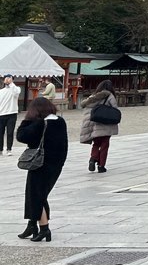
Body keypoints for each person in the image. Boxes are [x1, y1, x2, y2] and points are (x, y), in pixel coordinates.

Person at [16, 96, 68, 242]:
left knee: (37, 195)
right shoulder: (60, 121)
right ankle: (32, 224)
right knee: (37, 194)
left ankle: (44, 228)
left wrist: (27, 120)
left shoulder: (40, 124)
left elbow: (21, 136)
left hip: (39, 164)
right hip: (56, 164)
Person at [79, 79, 119, 173]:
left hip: (94, 123)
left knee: (96, 143)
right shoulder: (110, 96)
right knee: (105, 144)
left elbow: (85, 106)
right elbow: (115, 109)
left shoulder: (93, 96)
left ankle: (93, 158)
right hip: (105, 123)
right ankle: (101, 166)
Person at [0, 74, 21, 155]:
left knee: (10, 132)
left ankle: (9, 149)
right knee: (0, 133)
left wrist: (11, 82)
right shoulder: (1, 91)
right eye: (6, 78)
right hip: (1, 114)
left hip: (12, 114)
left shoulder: (16, 89)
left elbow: (16, 92)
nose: (8, 80)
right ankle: (0, 150)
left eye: (10, 78)